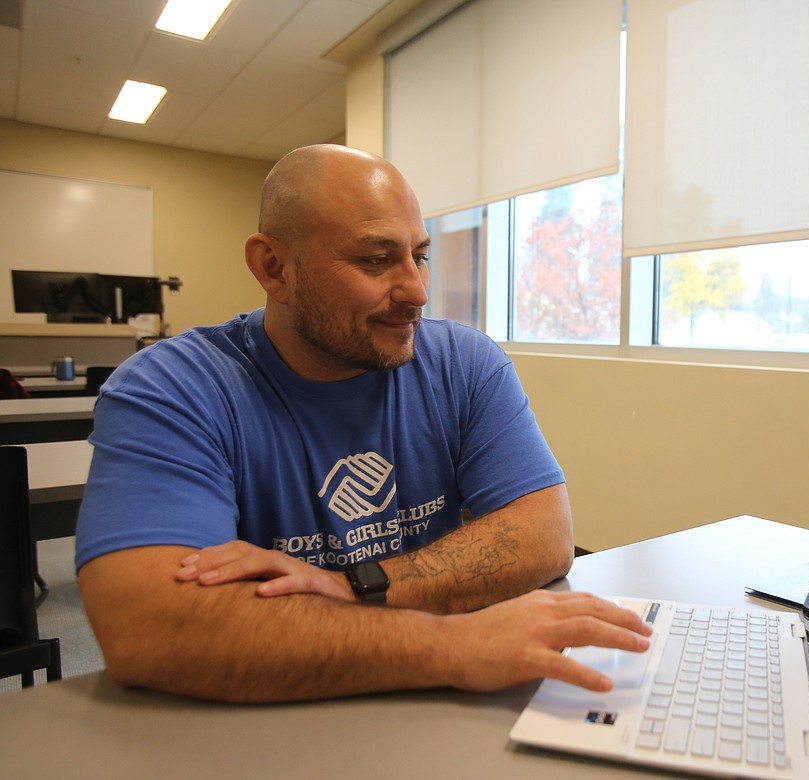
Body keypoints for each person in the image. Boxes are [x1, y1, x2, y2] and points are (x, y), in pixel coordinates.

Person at [75, 144, 651, 703]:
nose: (417, 292)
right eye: (375, 260)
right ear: (273, 267)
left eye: (418, 256)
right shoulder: (173, 388)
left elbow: (544, 537)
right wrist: (451, 646)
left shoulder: (463, 363)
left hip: (436, 709)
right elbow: (151, 628)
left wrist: (350, 587)